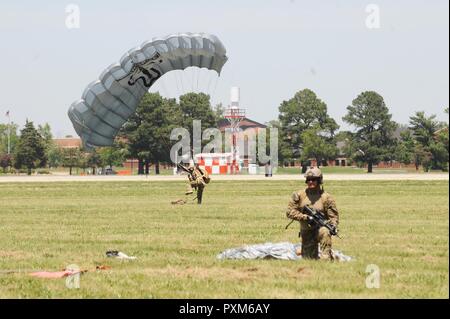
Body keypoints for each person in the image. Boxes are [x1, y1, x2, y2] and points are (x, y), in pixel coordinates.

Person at [286, 167, 339, 260]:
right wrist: (306, 217)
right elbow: (290, 212)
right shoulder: (299, 195)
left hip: (320, 230)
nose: (310, 182)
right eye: (308, 180)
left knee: (325, 231)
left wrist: (333, 226)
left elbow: (333, 216)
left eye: (314, 180)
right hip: (306, 231)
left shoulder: (326, 197)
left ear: (319, 181)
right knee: (309, 259)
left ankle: (326, 257)